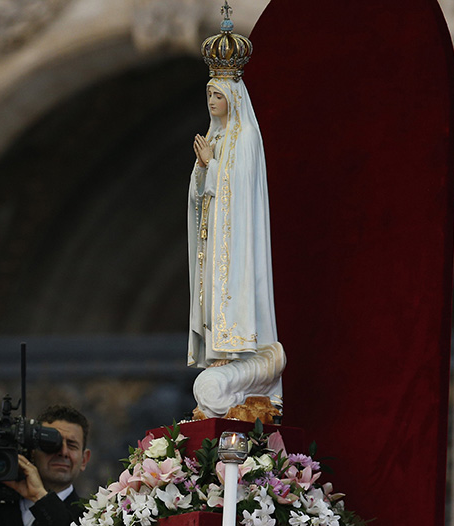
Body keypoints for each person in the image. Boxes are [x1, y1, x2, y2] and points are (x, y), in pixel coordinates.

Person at [187, 1, 285, 420]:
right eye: (208, 93)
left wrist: (211, 167)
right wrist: (202, 173)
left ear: (232, 96)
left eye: (217, 94)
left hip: (236, 245)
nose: (212, 100)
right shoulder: (217, 138)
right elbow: (201, 198)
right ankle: (221, 355)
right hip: (215, 247)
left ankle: (239, 353)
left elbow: (237, 193)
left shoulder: (244, 140)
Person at [0, 405, 91, 526]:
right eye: (51, 444)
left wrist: (40, 497)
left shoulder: (94, 517)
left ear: (84, 459)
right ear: (31, 451)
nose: (63, 452)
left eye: (72, 445)